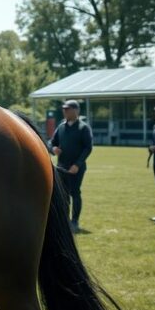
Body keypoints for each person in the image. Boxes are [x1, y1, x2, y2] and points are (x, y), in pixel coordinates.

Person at [48, 99, 93, 233]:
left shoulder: (83, 128)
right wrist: (54, 148)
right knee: (63, 194)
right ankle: (65, 221)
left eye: (68, 109)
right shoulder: (61, 126)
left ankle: (75, 221)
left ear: (76, 111)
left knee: (75, 193)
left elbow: (88, 148)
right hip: (62, 167)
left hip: (76, 168)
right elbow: (51, 142)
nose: (65, 111)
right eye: (64, 109)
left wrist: (77, 165)